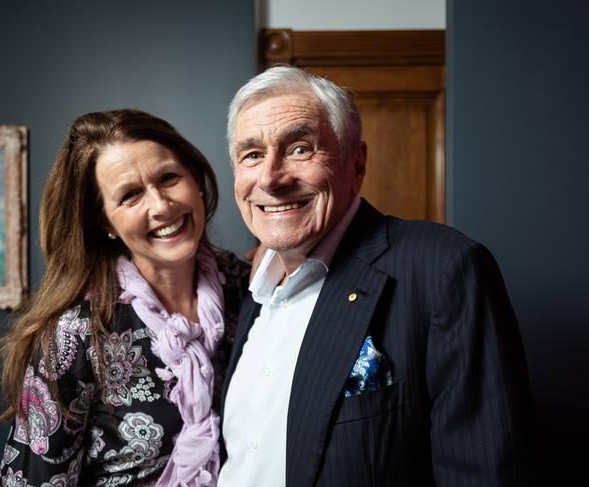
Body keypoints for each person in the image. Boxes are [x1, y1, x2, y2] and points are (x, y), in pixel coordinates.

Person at [218, 66, 537, 486]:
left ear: (357, 164)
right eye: (252, 155)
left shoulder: (441, 267)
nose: (271, 178)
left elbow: (487, 472)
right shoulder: (250, 288)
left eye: (299, 148)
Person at [0, 109, 249, 486]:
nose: (161, 206)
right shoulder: (74, 336)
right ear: (105, 221)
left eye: (169, 178)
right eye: (130, 195)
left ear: (196, 179)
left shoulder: (250, 289)